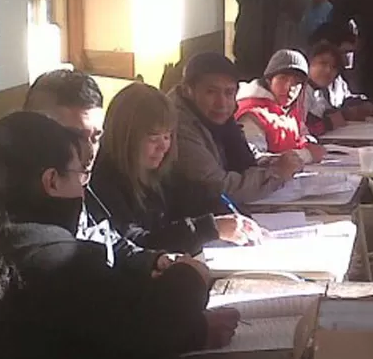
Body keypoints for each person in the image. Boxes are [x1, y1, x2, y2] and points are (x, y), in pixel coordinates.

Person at [0, 112, 240, 358]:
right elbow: (146, 330)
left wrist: (194, 330)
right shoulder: (56, 259)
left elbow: (94, 332)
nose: (84, 186)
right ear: (51, 181)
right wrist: (190, 277)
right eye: (80, 174)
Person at [91, 83, 264, 256]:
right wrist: (210, 228)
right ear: (125, 137)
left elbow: (194, 198)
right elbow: (136, 243)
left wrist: (230, 215)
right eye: (153, 138)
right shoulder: (104, 182)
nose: (163, 147)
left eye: (167, 136)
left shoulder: (160, 171)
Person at [24, 69, 162, 273]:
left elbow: (109, 242)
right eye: (74, 137)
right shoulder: (18, 205)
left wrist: (155, 260)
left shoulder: (81, 182)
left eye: (95, 137)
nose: (89, 153)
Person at [170, 52, 302, 205]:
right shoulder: (178, 125)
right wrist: (276, 174)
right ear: (188, 90)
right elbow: (218, 189)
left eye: (229, 92)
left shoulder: (216, 116)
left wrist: (273, 162)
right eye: (210, 92)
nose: (222, 103)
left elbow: (244, 157)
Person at [236, 49, 326, 163]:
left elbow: (302, 136)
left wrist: (310, 143)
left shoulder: (289, 111)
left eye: (297, 82)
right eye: (283, 78)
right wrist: (305, 155)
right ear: (269, 80)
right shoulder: (252, 115)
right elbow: (255, 160)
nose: (290, 87)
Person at [303, 40, 373, 137]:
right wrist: (330, 122)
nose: (328, 70)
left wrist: (362, 103)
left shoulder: (324, 89)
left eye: (334, 67)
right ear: (308, 63)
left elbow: (344, 99)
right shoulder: (299, 92)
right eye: (322, 63)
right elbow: (302, 129)